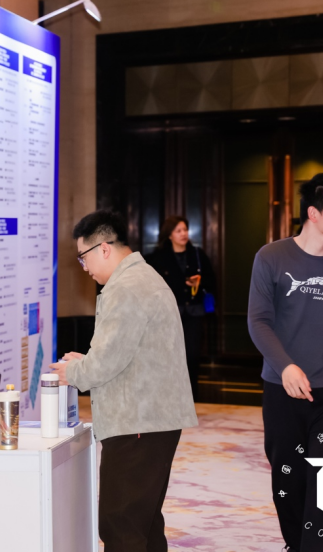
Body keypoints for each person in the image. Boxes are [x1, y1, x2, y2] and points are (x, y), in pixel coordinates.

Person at [49, 210, 198, 552]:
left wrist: (73, 372)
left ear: (103, 248)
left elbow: (105, 362)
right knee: (144, 522)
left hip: (138, 423)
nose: (83, 267)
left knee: (122, 523)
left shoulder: (127, 287)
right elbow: (127, 352)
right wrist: (88, 362)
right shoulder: (142, 278)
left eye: (83, 257)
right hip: (150, 419)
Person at [247, 171, 323, 552]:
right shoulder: (271, 257)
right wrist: (285, 365)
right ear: (313, 213)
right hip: (283, 390)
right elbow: (259, 321)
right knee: (288, 483)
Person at [147, 216, 217, 400]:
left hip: (194, 312)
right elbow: (151, 285)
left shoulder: (197, 254)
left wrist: (198, 281)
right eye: (178, 230)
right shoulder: (158, 257)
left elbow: (211, 280)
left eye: (185, 230)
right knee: (169, 356)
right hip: (168, 314)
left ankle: (191, 396)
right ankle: (169, 397)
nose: (183, 234)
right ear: (169, 235)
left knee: (192, 355)